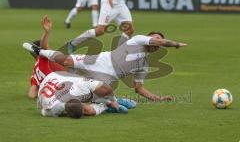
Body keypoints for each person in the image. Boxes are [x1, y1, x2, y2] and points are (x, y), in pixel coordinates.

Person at [24, 19, 187, 102]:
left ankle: (57, 97)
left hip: (108, 77)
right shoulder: (138, 39)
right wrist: (176, 44)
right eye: (156, 38)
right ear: (148, 38)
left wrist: (158, 98)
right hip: (100, 60)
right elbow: (159, 41)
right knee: (66, 62)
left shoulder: (143, 65)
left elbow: (139, 88)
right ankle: (41, 51)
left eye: (160, 41)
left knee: (97, 94)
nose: (158, 42)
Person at [24, 16, 136, 118]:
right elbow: (45, 48)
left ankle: (111, 101)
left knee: (92, 91)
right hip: (71, 77)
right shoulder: (44, 59)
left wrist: (41, 96)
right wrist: (46, 33)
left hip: (67, 77)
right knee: (99, 86)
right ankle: (111, 102)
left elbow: (32, 93)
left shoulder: (36, 72)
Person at [66, 0, 143, 53]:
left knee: (129, 29)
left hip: (120, 4)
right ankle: (73, 43)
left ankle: (118, 52)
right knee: (100, 31)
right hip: (108, 3)